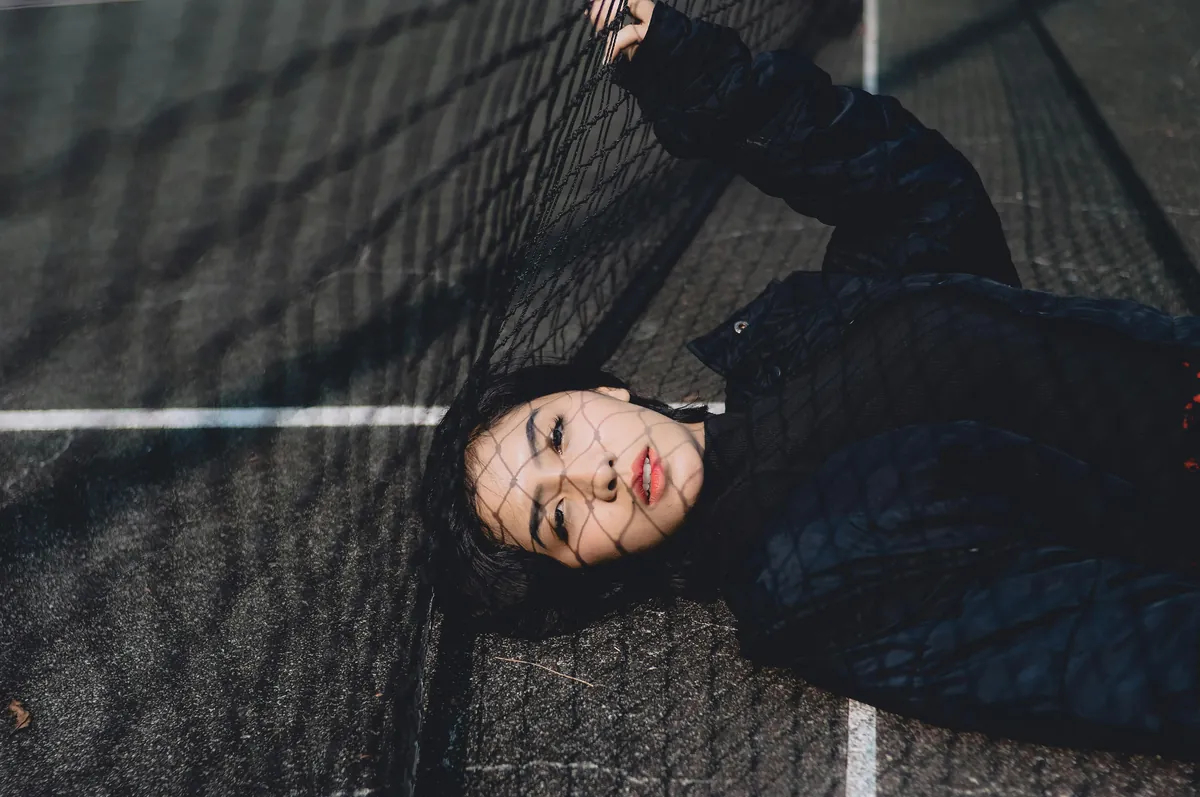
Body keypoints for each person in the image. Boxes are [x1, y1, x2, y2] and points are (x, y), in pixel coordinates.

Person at [419, 0, 1200, 760]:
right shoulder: (802, 581)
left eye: (557, 434)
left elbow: (923, 195)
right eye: (556, 519)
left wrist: (706, 83)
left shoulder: (795, 341)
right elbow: (1102, 650)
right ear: (582, 569)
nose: (597, 476)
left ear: (599, 391)